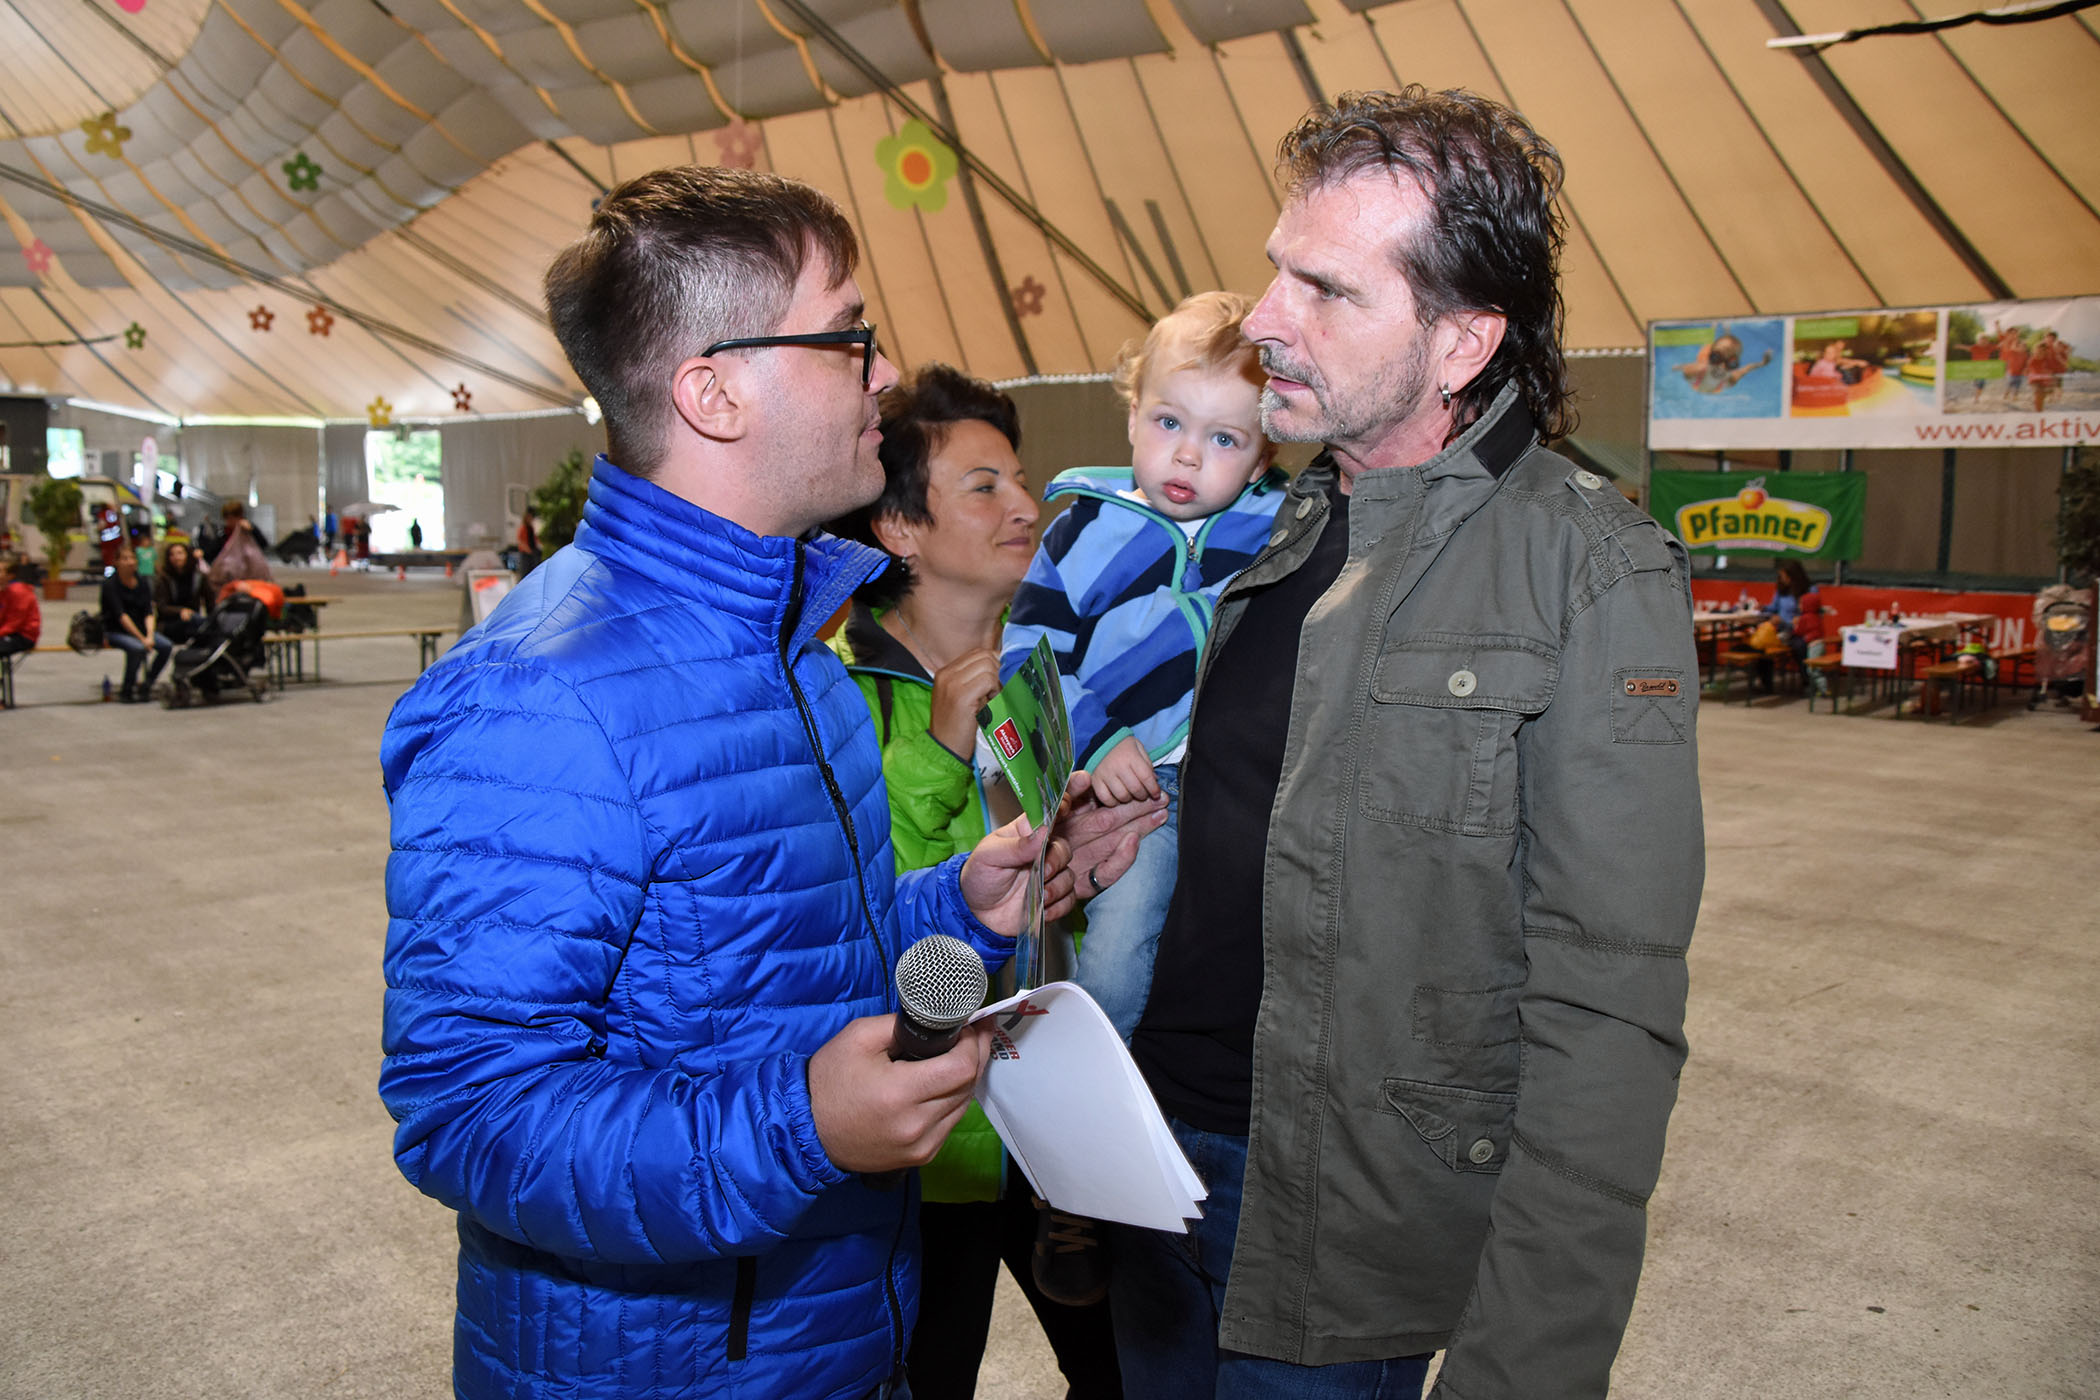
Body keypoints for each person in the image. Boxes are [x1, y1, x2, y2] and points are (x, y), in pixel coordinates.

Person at [377, 165, 1164, 1400]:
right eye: (848, 335)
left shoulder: (796, 651)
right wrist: (800, 1125)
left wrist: (960, 907)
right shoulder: (540, 697)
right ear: (715, 391)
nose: (884, 370)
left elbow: (799, 967)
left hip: (840, 1339)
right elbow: (470, 1110)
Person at [1112, 88, 1705, 1400]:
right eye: (1278, 270)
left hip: (1332, 1225)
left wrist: (1526, 1365)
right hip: (1158, 1165)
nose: (1266, 320)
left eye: (1326, 289)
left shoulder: (1591, 570)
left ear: (1460, 342)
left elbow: (1608, 1004)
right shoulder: (1279, 525)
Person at [826, 363, 1123, 1400]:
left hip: (1052, 1120)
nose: (1026, 507)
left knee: (1127, 1371)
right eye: (984, 486)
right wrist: (936, 752)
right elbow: (853, 906)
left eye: (1021, 479)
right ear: (899, 528)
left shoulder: (1040, 685)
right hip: (930, 1142)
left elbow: (1051, 901)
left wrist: (1088, 868)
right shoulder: (837, 694)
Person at [1002, 290, 1284, 1043]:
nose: (1189, 454)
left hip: (1256, 792)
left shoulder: (1280, 527)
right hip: (1140, 795)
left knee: (1264, 962)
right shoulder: (1079, 535)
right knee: (1119, 959)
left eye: (1225, 438)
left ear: (1264, 456)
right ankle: (1086, 1077)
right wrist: (1098, 742)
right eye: (1168, 423)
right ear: (1132, 417)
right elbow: (1024, 663)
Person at [100, 547, 171, 702]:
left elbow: (148, 612)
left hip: (141, 629)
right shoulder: (110, 585)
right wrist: (142, 639)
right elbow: (121, 616)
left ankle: (148, 683)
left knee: (166, 646)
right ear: (117, 562)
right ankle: (127, 689)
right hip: (116, 631)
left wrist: (149, 635)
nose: (130, 562)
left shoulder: (142, 582)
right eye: (125, 559)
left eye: (132, 558)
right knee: (137, 648)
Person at [206, 501, 273, 596]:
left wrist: (252, 530)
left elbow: (263, 544)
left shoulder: (249, 529)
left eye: (232, 518)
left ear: (239, 516)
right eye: (227, 519)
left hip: (251, 575)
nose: (229, 522)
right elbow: (213, 552)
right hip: (229, 578)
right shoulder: (223, 533)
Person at [153, 540, 209, 646]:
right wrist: (181, 611)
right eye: (172, 554)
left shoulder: (198, 576)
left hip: (193, 618)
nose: (176, 557)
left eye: (180, 553)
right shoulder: (164, 578)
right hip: (170, 622)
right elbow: (161, 607)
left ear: (187, 555)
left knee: (205, 624)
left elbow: (210, 601)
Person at [0, 550, 39, 662]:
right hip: (8, 632)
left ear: (10, 575)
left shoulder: (19, 592)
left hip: (23, 635)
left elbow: (14, 623)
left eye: (0, 571)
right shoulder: (4, 590)